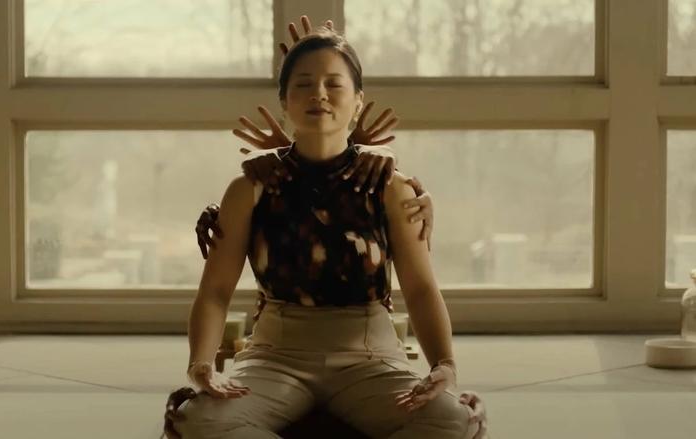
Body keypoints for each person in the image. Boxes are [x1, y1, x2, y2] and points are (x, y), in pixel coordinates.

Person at [168, 19, 488, 439]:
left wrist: (444, 364)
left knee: (451, 420)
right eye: (302, 84)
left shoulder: (390, 187)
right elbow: (215, 291)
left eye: (333, 84)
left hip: (370, 356)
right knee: (201, 420)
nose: (318, 93)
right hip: (274, 356)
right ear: (284, 102)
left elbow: (421, 288)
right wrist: (201, 364)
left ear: (358, 102)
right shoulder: (249, 187)